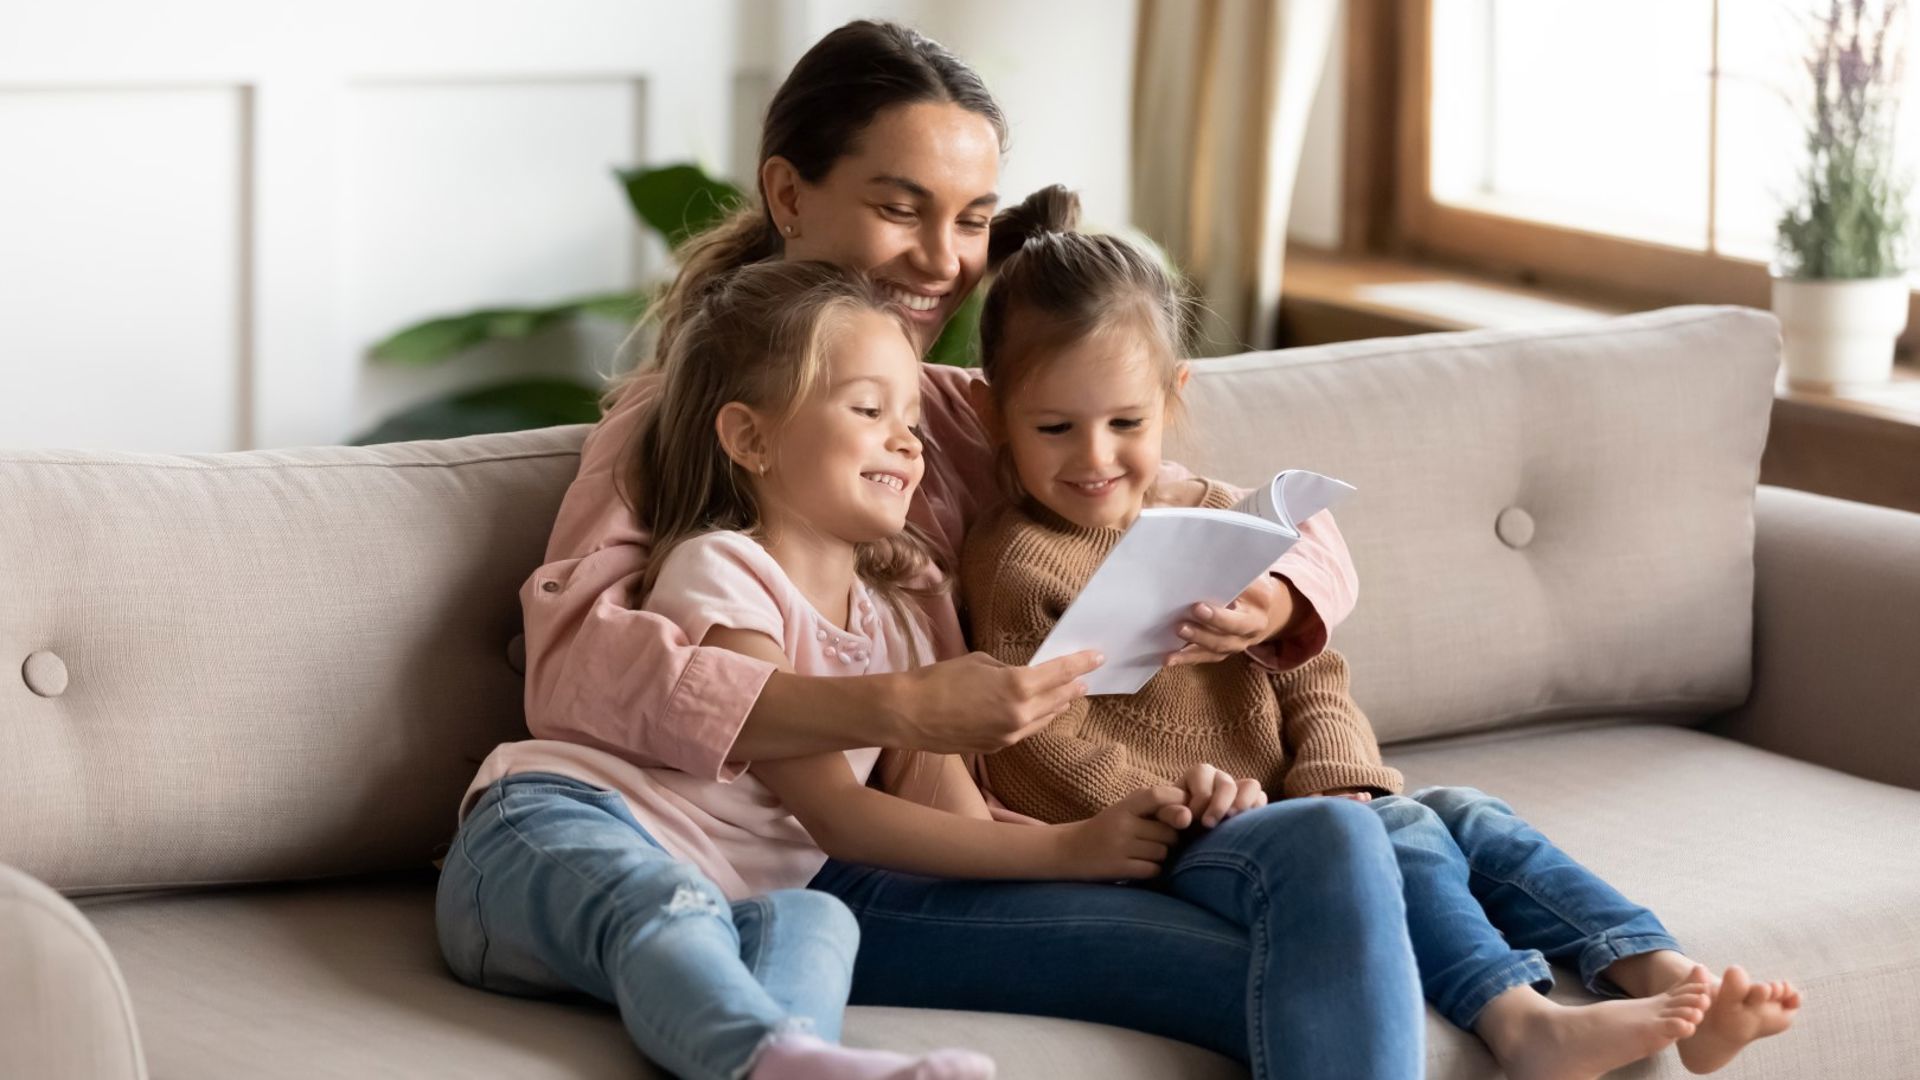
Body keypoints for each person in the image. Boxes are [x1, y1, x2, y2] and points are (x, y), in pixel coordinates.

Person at [445, 18, 1428, 1080]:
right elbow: (581, 671)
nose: (943, 259)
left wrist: (1274, 594)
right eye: (899, 208)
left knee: (1340, 893)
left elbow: (1245, 507)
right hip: (806, 852)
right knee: (1286, 932)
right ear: (788, 195)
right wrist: (906, 710)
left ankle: (1490, 991)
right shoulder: (676, 428)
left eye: (972, 220)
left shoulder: (968, 418)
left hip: (927, 843)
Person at [956, 183, 1804, 1080]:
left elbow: (1314, 675)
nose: (1095, 457)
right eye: (1056, 428)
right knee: (1396, 834)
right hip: (1191, 841)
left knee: (1467, 814)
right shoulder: (1016, 561)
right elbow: (1032, 746)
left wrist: (1337, 778)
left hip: (1302, 811)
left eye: (1126, 423)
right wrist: (1179, 802)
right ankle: (1521, 1021)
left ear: (1173, 398)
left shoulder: (1222, 523)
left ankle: (1672, 978)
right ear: (991, 414)